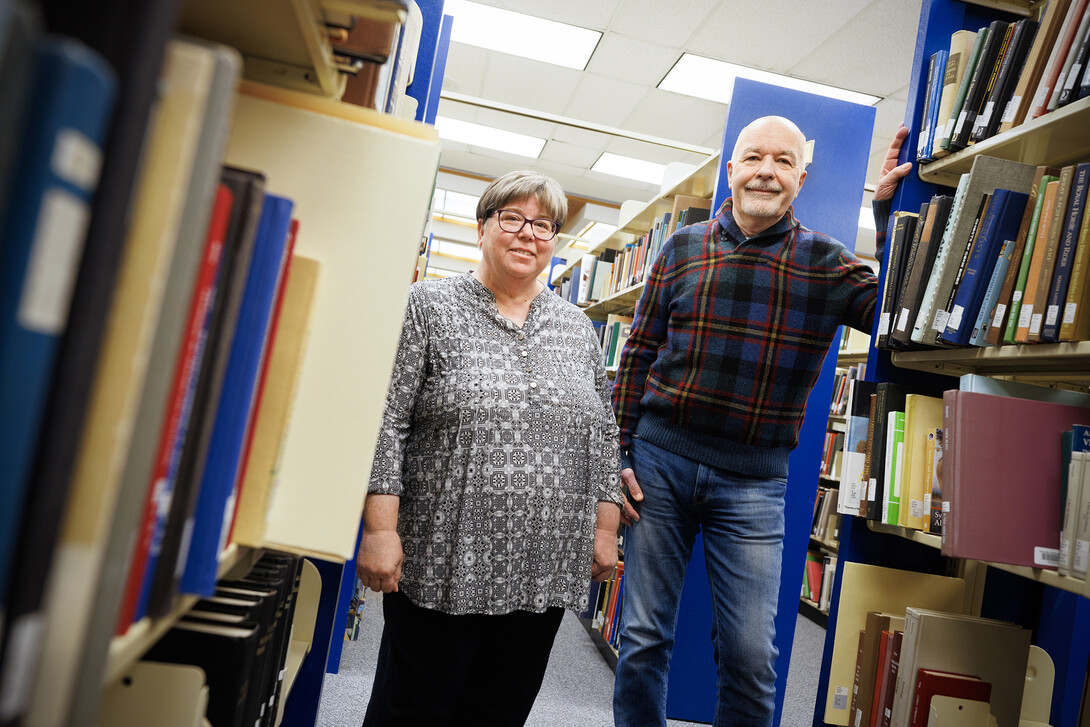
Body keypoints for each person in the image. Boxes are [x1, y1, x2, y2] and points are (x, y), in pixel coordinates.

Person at [610, 117, 912, 726]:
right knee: (643, 637)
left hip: (752, 483)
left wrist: (889, 215)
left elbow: (896, 313)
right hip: (659, 465)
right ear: (732, 169)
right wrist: (617, 454)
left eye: (782, 162)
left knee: (751, 655)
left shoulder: (826, 263)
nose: (766, 172)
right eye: (753, 158)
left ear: (800, 177)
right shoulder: (681, 247)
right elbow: (637, 353)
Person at [356, 169, 624, 726]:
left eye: (544, 225)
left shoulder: (577, 328)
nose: (529, 234)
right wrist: (380, 530)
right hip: (445, 559)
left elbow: (602, 434)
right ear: (482, 228)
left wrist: (604, 529)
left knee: (499, 711)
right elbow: (387, 423)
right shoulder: (426, 307)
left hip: (543, 565)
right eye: (513, 218)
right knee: (412, 709)